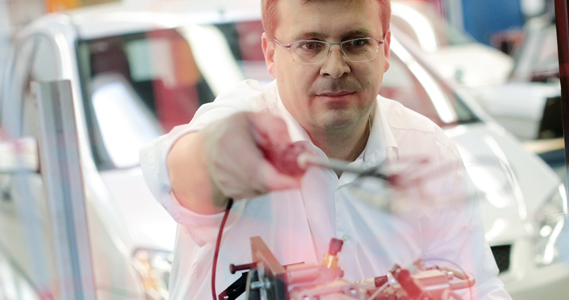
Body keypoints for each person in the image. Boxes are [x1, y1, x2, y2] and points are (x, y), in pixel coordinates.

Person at [140, 0, 510, 299]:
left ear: (385, 51)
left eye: (356, 42)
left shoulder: (426, 147)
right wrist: (220, 158)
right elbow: (180, 169)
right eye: (310, 45)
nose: (334, 67)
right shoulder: (243, 121)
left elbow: (475, 285)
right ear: (271, 54)